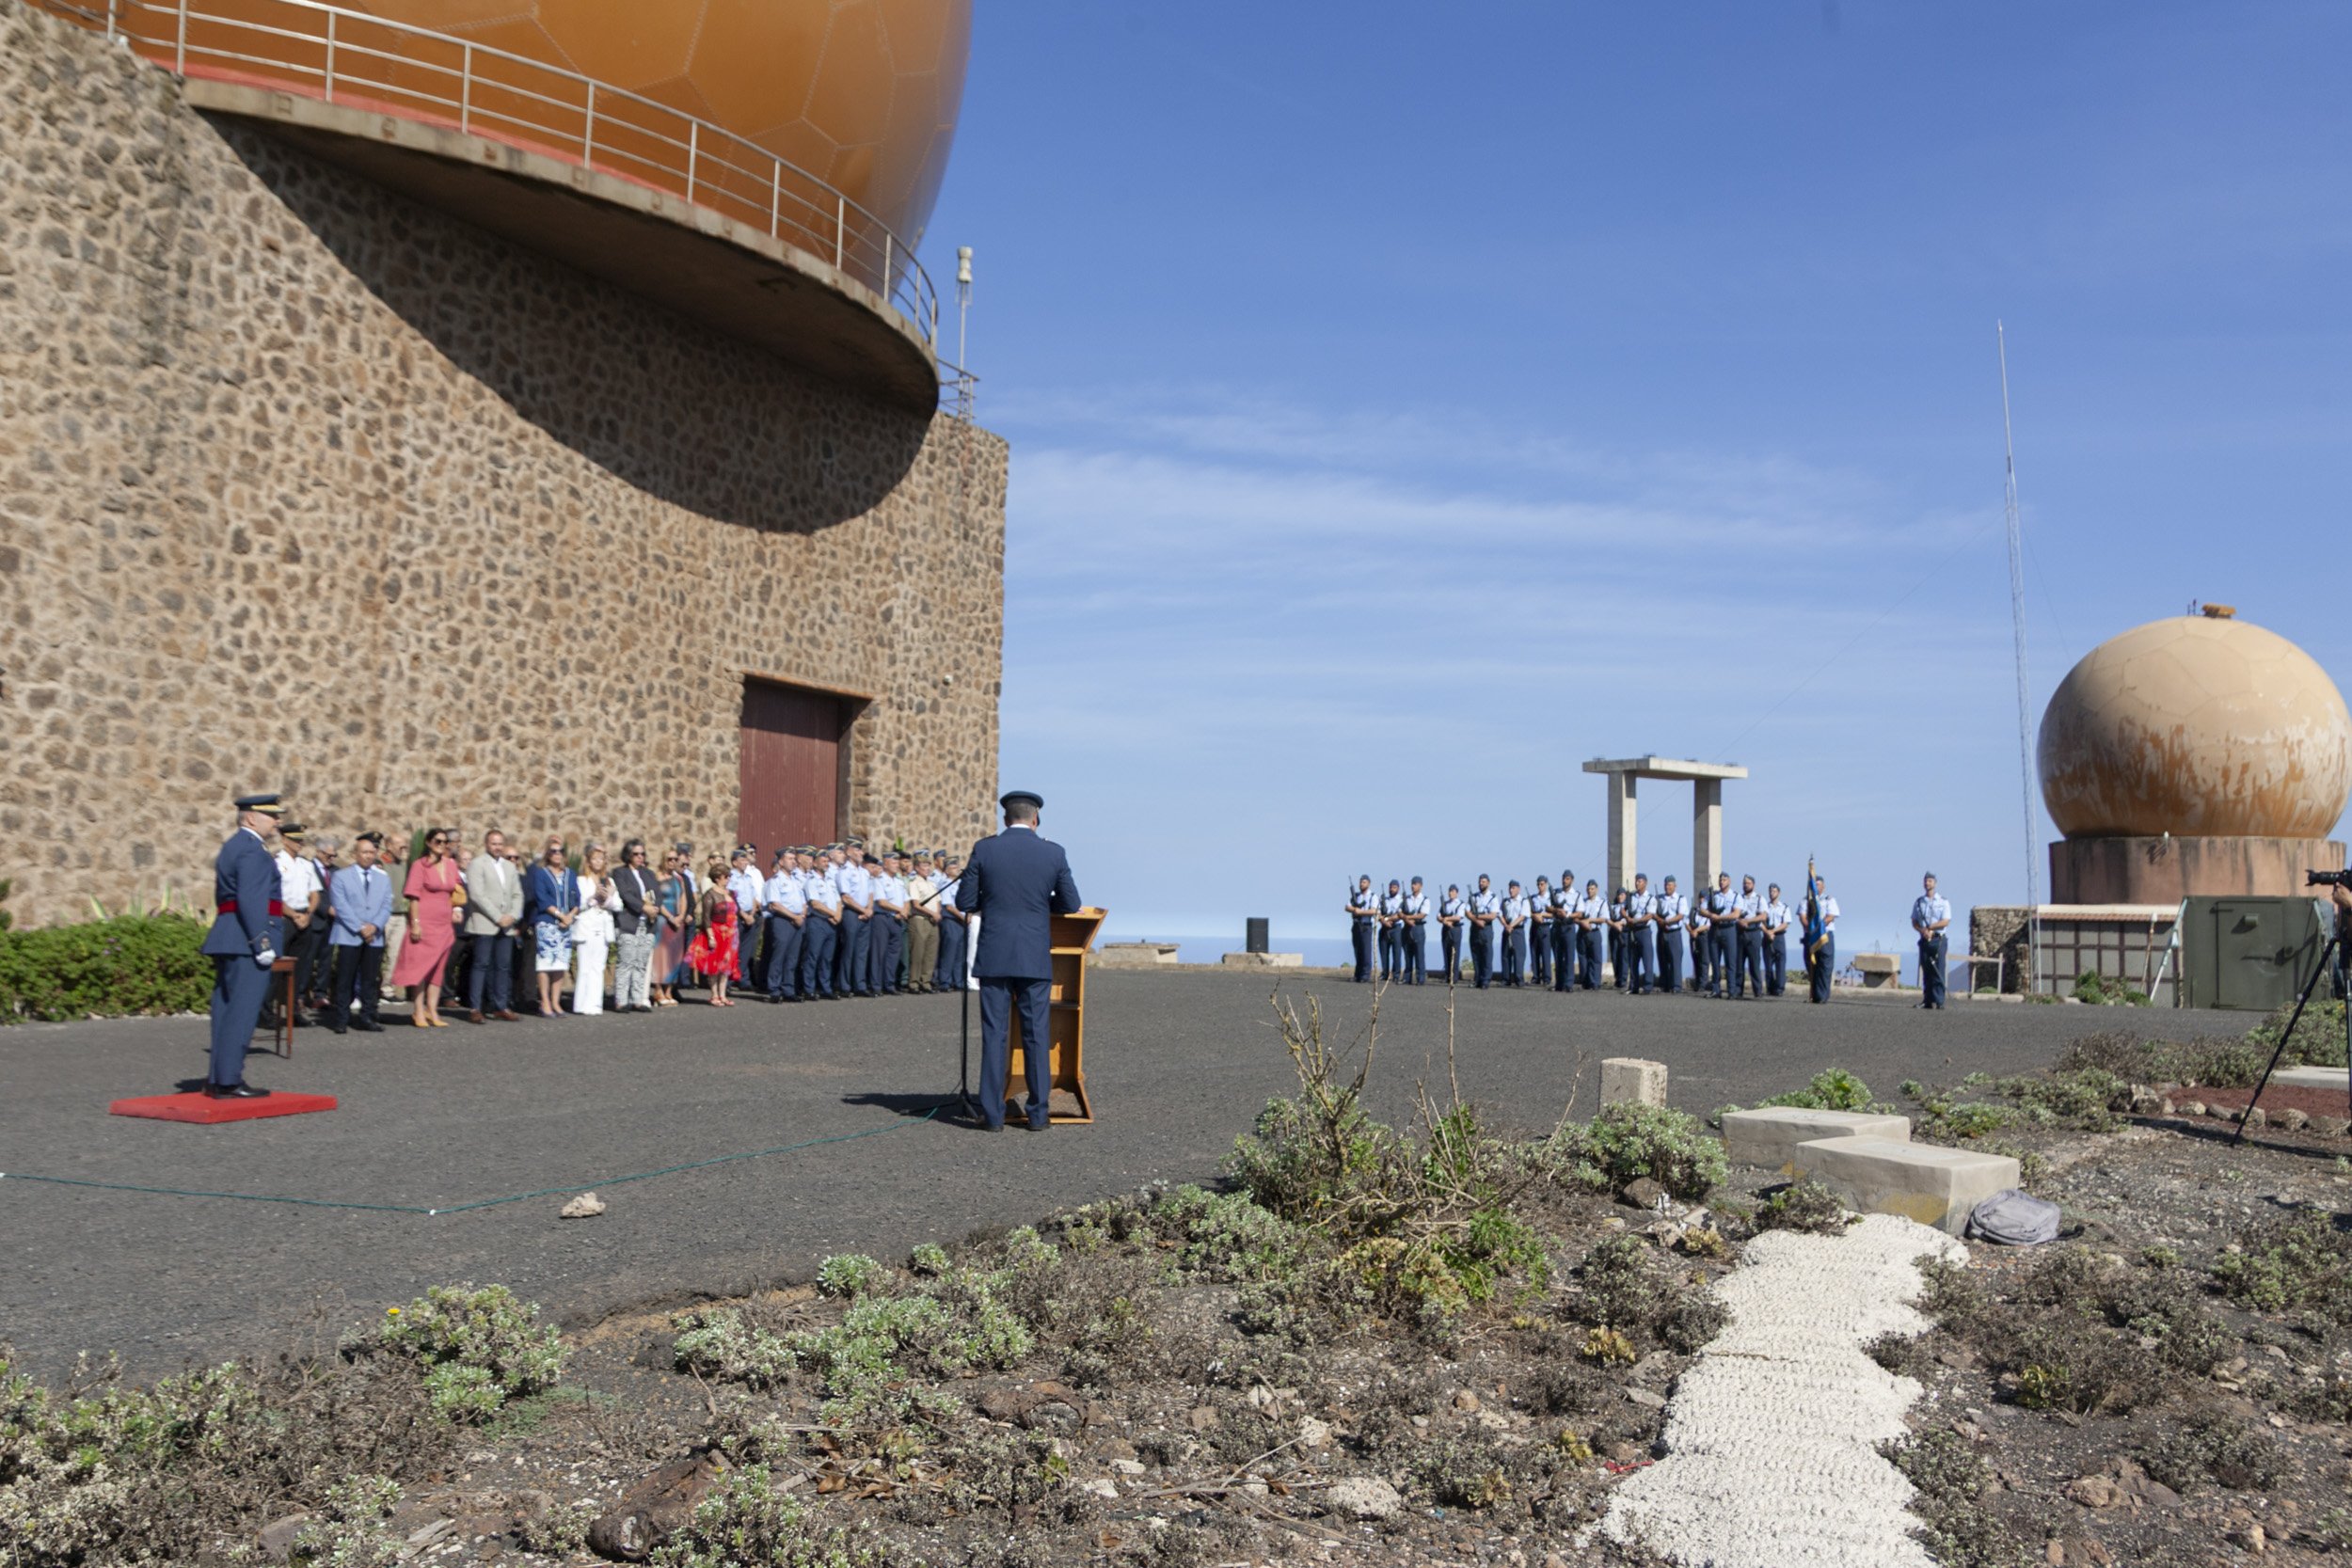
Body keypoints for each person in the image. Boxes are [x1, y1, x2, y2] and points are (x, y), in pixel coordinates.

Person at [961, 790, 1082, 1132]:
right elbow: (1072, 904)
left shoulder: (985, 849)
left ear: (1005, 819)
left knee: (994, 1035)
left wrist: (993, 898)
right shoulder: (1053, 852)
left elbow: (965, 900)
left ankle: (993, 1115)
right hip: (1033, 955)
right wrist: (1042, 906)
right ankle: (1038, 1114)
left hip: (995, 954)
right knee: (1035, 1035)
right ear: (1035, 819)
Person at [200, 793, 286, 1097]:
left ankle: (219, 1076)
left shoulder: (234, 846)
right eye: (271, 816)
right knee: (242, 1010)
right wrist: (260, 940)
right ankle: (228, 1080)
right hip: (246, 939)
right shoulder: (251, 850)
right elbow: (251, 900)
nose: (277, 822)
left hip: (230, 935)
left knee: (226, 1009)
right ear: (251, 817)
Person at [325, 831, 390, 1034]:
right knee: (346, 977)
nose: (368, 856)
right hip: (350, 933)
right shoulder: (341, 876)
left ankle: (368, 1015)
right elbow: (340, 905)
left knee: (371, 978)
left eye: (372, 852)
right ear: (355, 854)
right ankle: (342, 1018)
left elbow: (387, 904)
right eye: (364, 852)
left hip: (374, 936)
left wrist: (375, 926)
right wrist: (360, 927)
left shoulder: (382, 878)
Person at [394, 828, 459, 1027]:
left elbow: (455, 892)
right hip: (425, 922)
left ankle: (432, 1010)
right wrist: (415, 924)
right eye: (438, 841)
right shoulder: (419, 865)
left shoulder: (450, 864)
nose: (442, 845)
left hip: (444, 923)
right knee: (421, 968)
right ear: (429, 843)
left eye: (445, 841)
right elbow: (413, 896)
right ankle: (418, 1010)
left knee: (438, 969)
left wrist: (456, 909)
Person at [461, 830, 525, 1024]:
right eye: (493, 843)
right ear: (486, 844)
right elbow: (477, 895)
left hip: (506, 924)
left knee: (503, 966)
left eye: (500, 844)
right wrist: (498, 917)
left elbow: (517, 894)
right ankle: (475, 1007)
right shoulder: (477, 864)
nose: (497, 847)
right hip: (485, 923)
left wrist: (512, 916)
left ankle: (501, 1005)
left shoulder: (509, 867)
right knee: (481, 965)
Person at [271, 823, 323, 1028]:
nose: (299, 843)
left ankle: (294, 1010)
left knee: (300, 969)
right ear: (285, 840)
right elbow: (274, 895)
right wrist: (293, 914)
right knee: (276, 967)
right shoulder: (276, 862)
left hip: (304, 918)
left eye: (301, 840)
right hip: (285, 918)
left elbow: (315, 894)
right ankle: (268, 1011)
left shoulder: (306, 865)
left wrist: (308, 913)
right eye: (295, 840)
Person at [526, 836, 579, 1019]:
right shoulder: (541, 873)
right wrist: (560, 915)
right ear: (548, 854)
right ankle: (545, 1001)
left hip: (566, 924)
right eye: (553, 851)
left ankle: (556, 1001)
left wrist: (570, 916)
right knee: (546, 963)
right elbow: (542, 898)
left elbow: (576, 897)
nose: (557, 854)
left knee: (560, 964)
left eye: (560, 851)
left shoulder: (570, 874)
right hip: (547, 922)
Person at [611, 840, 659, 1014]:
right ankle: (621, 1000)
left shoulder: (649, 874)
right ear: (628, 855)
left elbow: (656, 893)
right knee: (626, 962)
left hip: (648, 923)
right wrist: (642, 907)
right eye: (636, 854)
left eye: (642, 854)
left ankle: (637, 999)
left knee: (641, 962)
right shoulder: (620, 873)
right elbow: (625, 894)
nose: (640, 857)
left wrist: (654, 908)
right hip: (629, 922)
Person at [572, 843, 620, 1015]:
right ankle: (581, 1004)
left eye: (601, 858)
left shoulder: (609, 881)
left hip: (603, 928)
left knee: (598, 967)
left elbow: (618, 905)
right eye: (595, 858)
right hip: (587, 927)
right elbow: (579, 904)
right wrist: (594, 898)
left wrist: (608, 897)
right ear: (589, 861)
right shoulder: (581, 880)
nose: (598, 862)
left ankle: (595, 1004)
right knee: (585, 966)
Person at [691, 857, 739, 1005]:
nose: (729, 879)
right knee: (714, 964)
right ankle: (714, 995)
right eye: (726, 876)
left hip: (731, 933)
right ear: (718, 878)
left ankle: (723, 994)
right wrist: (711, 937)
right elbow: (706, 918)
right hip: (717, 932)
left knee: (727, 965)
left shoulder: (731, 893)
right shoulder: (710, 895)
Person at [762, 848, 808, 1002]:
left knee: (792, 957)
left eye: (795, 859)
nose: (793, 861)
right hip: (783, 921)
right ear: (781, 862)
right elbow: (775, 905)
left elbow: (803, 901)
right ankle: (774, 989)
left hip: (797, 921)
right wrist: (794, 916)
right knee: (779, 956)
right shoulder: (775, 881)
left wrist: (801, 914)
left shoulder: (795, 881)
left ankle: (788, 989)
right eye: (789, 858)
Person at [803, 849, 843, 999]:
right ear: (814, 863)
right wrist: (833, 914)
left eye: (827, 860)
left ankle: (826, 988)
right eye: (823, 860)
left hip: (832, 923)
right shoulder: (811, 881)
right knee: (813, 956)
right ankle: (809, 989)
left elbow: (838, 901)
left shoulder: (830, 880)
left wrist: (838, 914)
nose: (826, 863)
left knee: (827, 958)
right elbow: (815, 904)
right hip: (818, 921)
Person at [727, 847, 767, 997]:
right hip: (737, 916)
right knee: (733, 950)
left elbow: (752, 897)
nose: (745, 862)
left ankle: (738, 977)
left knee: (745, 952)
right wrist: (744, 914)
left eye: (746, 860)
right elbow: (732, 898)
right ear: (734, 862)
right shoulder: (731, 877)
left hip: (750, 916)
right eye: (742, 860)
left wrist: (752, 913)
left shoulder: (748, 877)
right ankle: (728, 982)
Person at [651, 849, 689, 1006]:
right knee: (661, 956)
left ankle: (669, 990)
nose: (673, 862)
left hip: (677, 920)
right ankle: (658, 990)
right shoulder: (657, 878)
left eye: (675, 859)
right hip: (663, 919)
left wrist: (680, 916)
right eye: (670, 859)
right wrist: (670, 917)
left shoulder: (678, 879)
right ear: (663, 860)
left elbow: (683, 898)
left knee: (675, 955)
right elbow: (656, 900)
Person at [1913, 872, 1952, 1009]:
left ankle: (1940, 1001)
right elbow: (1914, 921)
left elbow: (1946, 921)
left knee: (1939, 969)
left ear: (1935, 883)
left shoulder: (1943, 901)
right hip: (1924, 939)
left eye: (1930, 881)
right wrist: (1922, 930)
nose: (1927, 883)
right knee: (1927, 970)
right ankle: (1927, 1000)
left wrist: (1930, 927)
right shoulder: (1919, 902)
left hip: (1938, 939)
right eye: (1925, 881)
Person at [871, 852, 909, 995]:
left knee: (894, 953)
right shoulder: (878, 880)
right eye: (893, 863)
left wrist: (904, 911)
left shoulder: (899, 881)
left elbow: (906, 899)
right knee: (879, 953)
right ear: (885, 864)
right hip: (883, 918)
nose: (897, 865)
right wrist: (900, 910)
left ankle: (889, 984)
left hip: (897, 919)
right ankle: (876, 985)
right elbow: (882, 902)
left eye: (897, 862)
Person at [906, 851, 943, 994]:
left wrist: (937, 913)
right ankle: (914, 982)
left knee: (930, 953)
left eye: (928, 865)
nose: (927, 868)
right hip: (920, 919)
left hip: (933, 920)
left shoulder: (932, 884)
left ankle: (926, 981)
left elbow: (938, 901)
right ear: (916, 867)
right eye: (924, 865)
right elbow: (916, 904)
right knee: (918, 953)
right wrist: (933, 913)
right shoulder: (914, 883)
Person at [1804, 872, 1840, 1005]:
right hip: (1812, 935)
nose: (1816, 887)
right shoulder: (1808, 901)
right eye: (1814, 885)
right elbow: (1803, 915)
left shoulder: (1829, 899)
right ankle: (1814, 995)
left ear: (1823, 887)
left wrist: (1819, 926)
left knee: (1825, 967)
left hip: (1825, 935)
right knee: (1814, 965)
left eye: (1818, 885)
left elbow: (1831, 916)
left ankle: (1822, 996)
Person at [1704, 873, 1740, 999]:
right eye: (1720, 880)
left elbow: (1736, 914)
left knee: (1730, 963)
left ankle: (1731, 991)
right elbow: (1702, 909)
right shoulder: (1712, 895)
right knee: (1714, 961)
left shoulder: (1735, 896)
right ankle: (1716, 989)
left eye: (1724, 880)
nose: (1722, 882)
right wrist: (1710, 915)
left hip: (1728, 929)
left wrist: (1719, 917)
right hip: (1714, 929)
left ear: (1729, 881)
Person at [935, 854, 968, 990]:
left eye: (957, 867)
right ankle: (945, 981)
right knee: (949, 953)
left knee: (960, 954)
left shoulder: (961, 883)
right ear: (947, 870)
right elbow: (949, 906)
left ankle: (958, 981)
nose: (957, 869)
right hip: (951, 920)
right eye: (953, 867)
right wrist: (964, 917)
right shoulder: (945, 884)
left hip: (962, 922)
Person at [1623, 873, 1657, 994]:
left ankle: (1648, 986)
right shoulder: (1631, 896)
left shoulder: (1650, 898)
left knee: (1647, 959)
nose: (1637, 883)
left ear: (1645, 883)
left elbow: (1650, 915)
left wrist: (1636, 920)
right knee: (1633, 959)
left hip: (1644, 930)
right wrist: (1626, 917)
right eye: (1636, 881)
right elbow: (1623, 908)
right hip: (1633, 929)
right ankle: (1634, 986)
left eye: (1640, 881)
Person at [1734, 875, 1767, 1001]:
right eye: (1744, 883)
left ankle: (1757, 991)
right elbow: (1733, 913)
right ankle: (1738, 990)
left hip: (1753, 932)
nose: (1745, 885)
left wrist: (1749, 920)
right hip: (1740, 932)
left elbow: (1763, 916)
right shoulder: (1738, 898)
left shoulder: (1760, 899)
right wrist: (1739, 921)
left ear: (1753, 884)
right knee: (1739, 964)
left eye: (1748, 883)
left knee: (1754, 964)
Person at [1655, 876, 1687, 995]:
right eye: (1666, 884)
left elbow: (1681, 915)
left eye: (1669, 885)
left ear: (1675, 886)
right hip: (1662, 931)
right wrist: (1660, 921)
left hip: (1674, 932)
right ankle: (1665, 985)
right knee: (1663, 959)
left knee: (1675, 960)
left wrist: (1668, 922)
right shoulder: (1659, 898)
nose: (1667, 887)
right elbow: (1653, 913)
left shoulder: (1681, 899)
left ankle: (1677, 986)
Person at [1467, 874, 1501, 989]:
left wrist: (1478, 917)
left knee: (1487, 955)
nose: (1481, 884)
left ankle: (1485, 980)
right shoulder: (1474, 897)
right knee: (1476, 955)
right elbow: (1467, 912)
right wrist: (1477, 920)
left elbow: (1493, 915)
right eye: (1480, 881)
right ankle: (1478, 979)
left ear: (1488, 883)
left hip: (1486, 928)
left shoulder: (1493, 897)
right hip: (1475, 928)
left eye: (1484, 882)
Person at [1575, 879, 1606, 990]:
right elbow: (1576, 916)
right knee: (1583, 958)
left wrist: (1590, 920)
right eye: (1588, 889)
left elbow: (1603, 919)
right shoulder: (1582, 901)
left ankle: (1595, 982)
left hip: (1594, 932)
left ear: (1596, 889)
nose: (1590, 891)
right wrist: (1582, 922)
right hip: (1582, 932)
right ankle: (1585, 982)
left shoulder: (1602, 902)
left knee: (1596, 959)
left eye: (1592, 889)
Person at [1345, 875, 1377, 983]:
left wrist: (1361, 912)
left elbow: (1374, 911)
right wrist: (1355, 909)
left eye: (1364, 882)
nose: (1361, 884)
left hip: (1366, 925)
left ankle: (1365, 975)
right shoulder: (1356, 896)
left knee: (1366, 951)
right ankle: (1357, 974)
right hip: (1356, 925)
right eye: (1360, 882)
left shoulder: (1373, 896)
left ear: (1368, 883)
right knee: (1357, 951)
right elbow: (1347, 906)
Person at [1500, 879, 1531, 987]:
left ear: (1518, 889)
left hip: (1517, 930)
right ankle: (1506, 979)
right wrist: (1505, 925)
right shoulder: (1505, 901)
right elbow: (1500, 915)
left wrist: (1511, 926)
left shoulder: (1523, 901)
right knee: (1505, 955)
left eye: (1513, 888)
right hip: (1507, 929)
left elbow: (1522, 916)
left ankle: (1519, 979)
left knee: (1519, 955)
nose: (1510, 890)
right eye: (1510, 888)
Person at [1762, 883, 1791, 997]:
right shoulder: (1765, 907)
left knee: (1780, 964)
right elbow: (1760, 921)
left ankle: (1779, 988)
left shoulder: (1784, 907)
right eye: (1770, 891)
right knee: (1768, 964)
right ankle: (1770, 988)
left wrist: (1773, 931)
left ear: (1778, 893)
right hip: (1767, 936)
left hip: (1779, 937)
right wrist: (1767, 932)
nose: (1771, 893)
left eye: (1774, 891)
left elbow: (1786, 923)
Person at [1401, 877, 1429, 985]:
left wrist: (1409, 918)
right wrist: (1407, 919)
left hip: (1418, 927)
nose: (1413, 886)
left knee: (1419, 954)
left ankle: (1420, 978)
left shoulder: (1425, 899)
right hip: (1407, 927)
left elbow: (1422, 914)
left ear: (1421, 886)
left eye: (1416, 884)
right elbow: (1400, 912)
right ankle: (1407, 978)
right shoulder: (1407, 898)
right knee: (1407, 954)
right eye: (1412, 883)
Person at [1376, 879, 1404, 982]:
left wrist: (1388, 919)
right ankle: (1385, 973)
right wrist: (1384, 921)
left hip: (1396, 927)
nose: (1392, 889)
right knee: (1384, 952)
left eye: (1394, 887)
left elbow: (1400, 914)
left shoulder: (1401, 900)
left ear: (1398, 888)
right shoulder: (1384, 899)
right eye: (1391, 887)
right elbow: (1378, 913)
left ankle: (1396, 975)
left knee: (1396, 952)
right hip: (1384, 927)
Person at [1437, 883, 1465, 983]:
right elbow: (1438, 916)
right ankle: (1447, 975)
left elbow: (1458, 917)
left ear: (1457, 893)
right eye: (1450, 891)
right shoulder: (1445, 904)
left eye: (1453, 891)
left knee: (1455, 953)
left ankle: (1454, 977)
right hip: (1445, 929)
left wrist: (1447, 919)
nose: (1450, 893)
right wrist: (1443, 921)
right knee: (1446, 952)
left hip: (1455, 929)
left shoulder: (1461, 903)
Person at [1529, 877, 1554, 989]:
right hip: (1535, 925)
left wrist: (1542, 915)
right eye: (1538, 884)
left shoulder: (1551, 898)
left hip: (1545, 926)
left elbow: (1553, 913)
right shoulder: (1533, 898)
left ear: (1546, 885)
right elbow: (1528, 910)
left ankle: (1547, 977)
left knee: (1545, 952)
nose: (1540, 886)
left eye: (1542, 884)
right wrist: (1534, 915)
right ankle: (1536, 976)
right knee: (1534, 952)